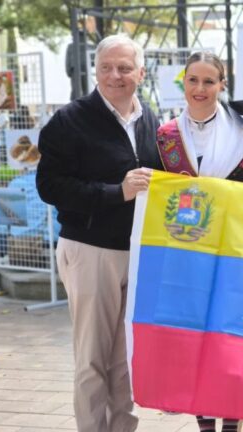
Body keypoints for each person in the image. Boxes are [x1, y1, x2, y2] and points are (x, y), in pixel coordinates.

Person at [36, 34, 162, 432]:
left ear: (141, 73)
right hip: (90, 250)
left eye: (124, 68)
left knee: (125, 359)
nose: (114, 76)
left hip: (137, 253)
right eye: (106, 67)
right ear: (95, 71)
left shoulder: (151, 119)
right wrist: (116, 192)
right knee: (92, 359)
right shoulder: (69, 121)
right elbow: (50, 187)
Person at [155, 51, 243, 432]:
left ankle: (231, 422)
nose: (200, 88)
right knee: (194, 338)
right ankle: (204, 423)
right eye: (193, 80)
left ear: (222, 85)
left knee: (229, 339)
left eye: (209, 81)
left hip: (232, 251)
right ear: (184, 82)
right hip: (185, 252)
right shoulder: (164, 136)